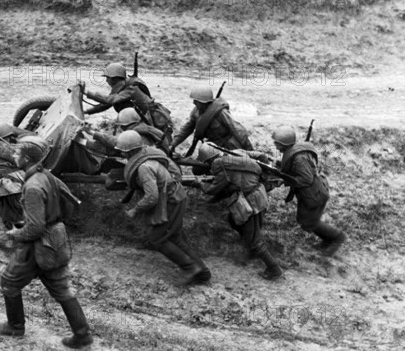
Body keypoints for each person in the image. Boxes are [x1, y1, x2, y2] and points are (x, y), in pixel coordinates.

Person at [0, 136, 93, 349]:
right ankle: (82, 335)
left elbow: (35, 228)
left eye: (17, 153)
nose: (14, 156)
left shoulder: (33, 187)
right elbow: (69, 200)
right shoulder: (45, 175)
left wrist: (14, 234)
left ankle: (15, 327)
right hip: (55, 238)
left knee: (9, 282)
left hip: (37, 243)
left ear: (27, 158)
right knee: (61, 287)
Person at [115, 130, 211, 284]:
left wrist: (135, 209)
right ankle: (202, 273)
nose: (121, 154)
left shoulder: (144, 167)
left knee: (157, 239)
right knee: (175, 237)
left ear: (130, 151)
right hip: (176, 196)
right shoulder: (147, 153)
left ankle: (190, 268)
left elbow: (151, 197)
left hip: (171, 200)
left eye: (122, 151)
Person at [197, 143, 282, 280]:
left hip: (252, 201)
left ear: (209, 159)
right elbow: (261, 156)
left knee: (254, 239)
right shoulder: (236, 152)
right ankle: (253, 247)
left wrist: (199, 183)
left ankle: (274, 268)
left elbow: (213, 189)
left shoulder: (219, 164)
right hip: (256, 195)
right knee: (233, 221)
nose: (208, 164)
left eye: (207, 162)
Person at [272, 127, 346, 256]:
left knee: (309, 223)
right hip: (309, 193)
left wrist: (285, 181)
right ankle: (328, 239)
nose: (276, 146)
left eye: (277, 144)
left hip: (313, 194)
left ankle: (337, 237)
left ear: (285, 144)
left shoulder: (299, 158)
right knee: (305, 221)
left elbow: (306, 179)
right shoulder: (294, 153)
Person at [82, 63, 173, 141]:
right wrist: (87, 112)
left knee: (162, 146)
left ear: (114, 79)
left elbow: (109, 100)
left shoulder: (131, 88)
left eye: (107, 78)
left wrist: (86, 92)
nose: (106, 81)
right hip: (145, 120)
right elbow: (106, 104)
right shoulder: (122, 87)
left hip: (156, 120)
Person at [169, 87, 253, 157]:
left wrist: (250, 151)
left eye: (196, 101)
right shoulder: (196, 111)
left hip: (229, 146)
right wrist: (173, 144)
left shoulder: (221, 112)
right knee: (198, 170)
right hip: (212, 146)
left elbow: (238, 130)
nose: (193, 103)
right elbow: (187, 128)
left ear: (204, 102)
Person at [84, 108, 171, 155]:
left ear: (124, 125)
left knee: (116, 150)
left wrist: (92, 133)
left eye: (121, 125)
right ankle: (84, 142)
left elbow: (116, 142)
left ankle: (83, 142)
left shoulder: (138, 133)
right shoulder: (142, 128)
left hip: (153, 159)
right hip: (156, 155)